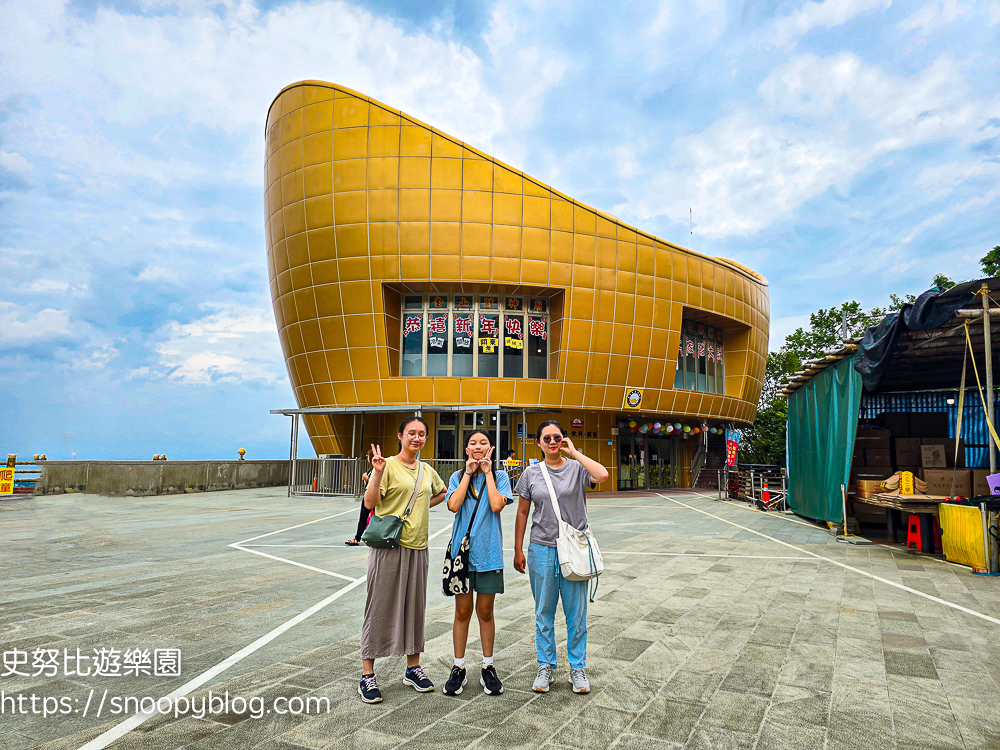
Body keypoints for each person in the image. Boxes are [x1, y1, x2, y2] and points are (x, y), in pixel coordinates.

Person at [513, 420, 609, 695]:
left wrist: (575, 453)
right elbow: (522, 512)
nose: (553, 442)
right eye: (547, 438)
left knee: (576, 614)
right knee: (543, 610)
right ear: (539, 442)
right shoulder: (531, 473)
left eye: (558, 437)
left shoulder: (577, 469)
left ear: (563, 440)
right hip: (541, 548)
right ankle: (545, 666)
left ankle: (577, 668)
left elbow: (601, 475)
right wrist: (518, 548)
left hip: (574, 549)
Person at [358, 417, 447, 704]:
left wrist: (421, 507)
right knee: (378, 606)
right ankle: (367, 674)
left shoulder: (426, 469)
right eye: (412, 433)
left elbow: (441, 493)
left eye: (422, 434)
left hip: (418, 547)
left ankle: (413, 667)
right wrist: (377, 472)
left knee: (414, 608)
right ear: (400, 436)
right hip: (388, 547)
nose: (417, 438)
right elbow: (370, 503)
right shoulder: (387, 465)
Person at [442, 430, 513, 697]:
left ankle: (488, 666)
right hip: (462, 556)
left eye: (483, 443)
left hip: (489, 554)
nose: (478, 446)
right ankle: (458, 667)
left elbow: (496, 505)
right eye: (473, 443)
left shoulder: (501, 477)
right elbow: (453, 505)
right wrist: (470, 473)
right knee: (462, 612)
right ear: (466, 449)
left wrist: (488, 472)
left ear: (491, 448)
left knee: (485, 611)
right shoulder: (457, 477)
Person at [346, 451, 373, 546]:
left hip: (374, 497)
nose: (367, 458)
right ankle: (357, 538)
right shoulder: (370, 470)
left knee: (376, 517)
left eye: (368, 456)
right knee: (363, 518)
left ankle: (362, 537)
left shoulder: (377, 470)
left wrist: (367, 479)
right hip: (367, 496)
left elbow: (378, 484)